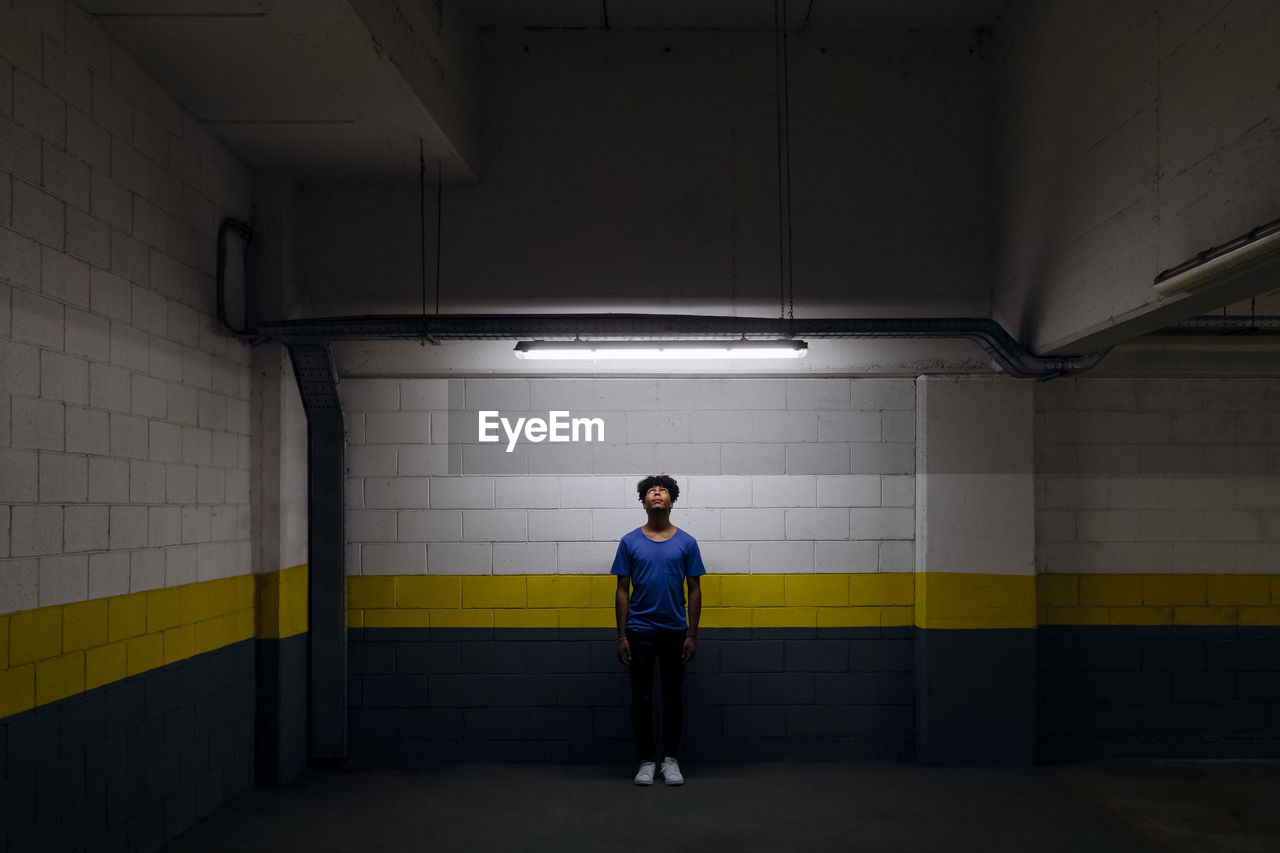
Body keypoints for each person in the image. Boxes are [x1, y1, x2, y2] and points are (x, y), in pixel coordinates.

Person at [612, 474, 705, 786]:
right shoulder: (629, 541)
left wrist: (692, 633)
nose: (656, 493)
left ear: (671, 501)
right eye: (650, 490)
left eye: (662, 490)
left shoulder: (687, 542)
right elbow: (622, 590)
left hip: (675, 632)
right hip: (639, 631)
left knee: (672, 697)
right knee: (641, 698)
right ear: (643, 502)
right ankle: (647, 760)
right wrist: (622, 635)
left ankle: (670, 759)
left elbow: (694, 589)